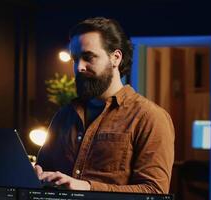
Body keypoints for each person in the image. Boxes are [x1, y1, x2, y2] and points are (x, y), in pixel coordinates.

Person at [34, 17, 174, 194]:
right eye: (75, 59)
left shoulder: (150, 117)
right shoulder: (64, 115)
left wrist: (87, 187)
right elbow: (43, 169)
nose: (79, 68)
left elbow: (155, 191)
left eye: (88, 57)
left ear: (115, 58)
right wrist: (36, 175)